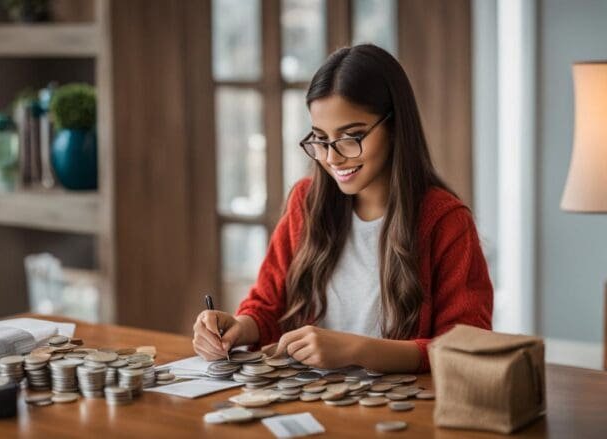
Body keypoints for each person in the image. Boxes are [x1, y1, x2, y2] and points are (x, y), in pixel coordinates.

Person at [192, 44, 493, 373]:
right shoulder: (306, 202)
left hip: (400, 412)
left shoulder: (445, 221)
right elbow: (267, 306)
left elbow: (465, 347)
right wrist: (238, 326)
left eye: (352, 136)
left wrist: (358, 349)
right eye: (320, 139)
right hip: (308, 400)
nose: (332, 158)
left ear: (394, 127)